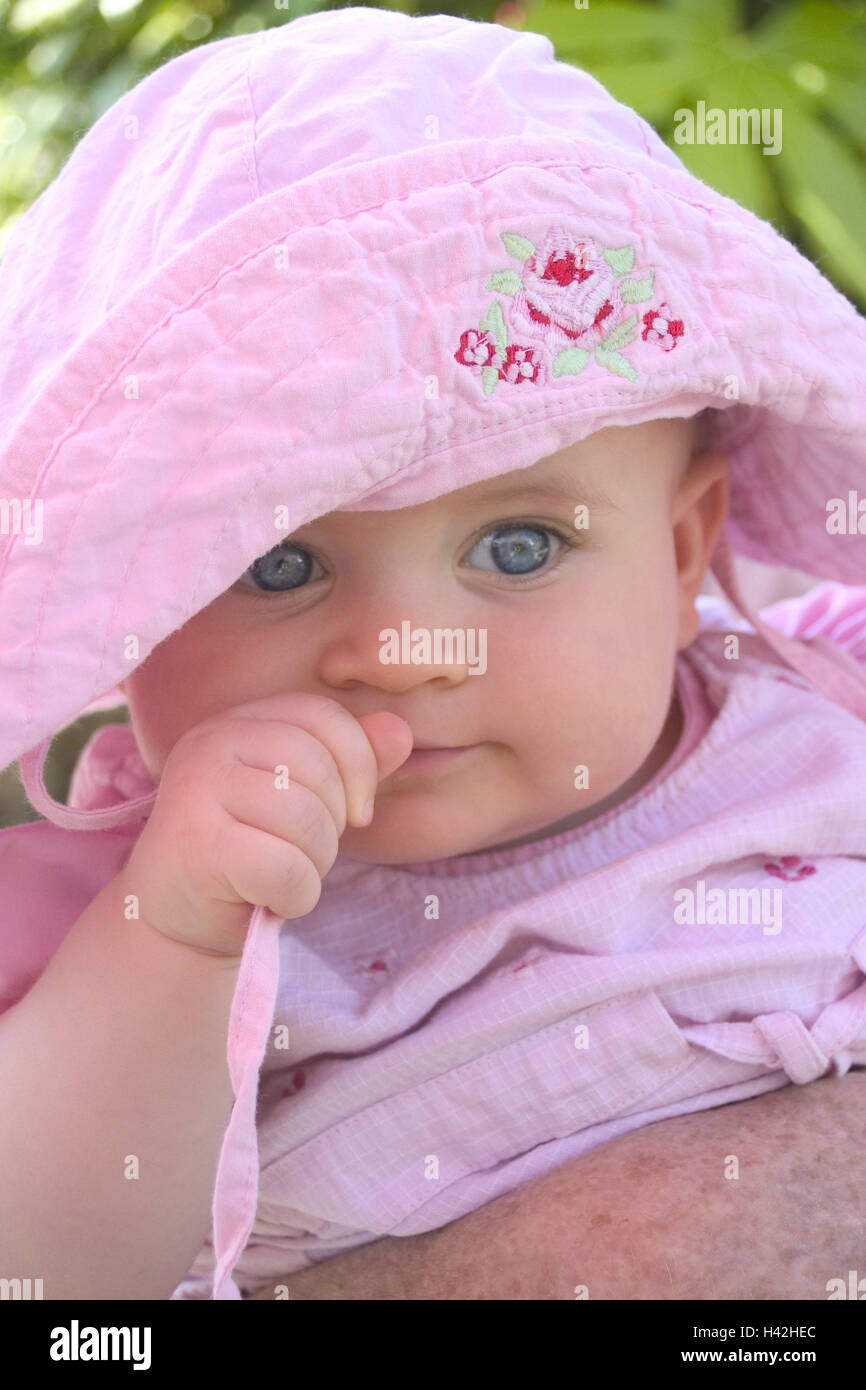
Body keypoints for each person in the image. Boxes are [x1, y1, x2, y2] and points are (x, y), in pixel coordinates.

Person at [0, 8, 864, 1302]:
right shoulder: (121, 908)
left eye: (516, 546)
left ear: (685, 554)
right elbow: (43, 1277)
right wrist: (174, 935)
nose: (400, 652)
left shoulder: (819, 710)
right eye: (277, 563)